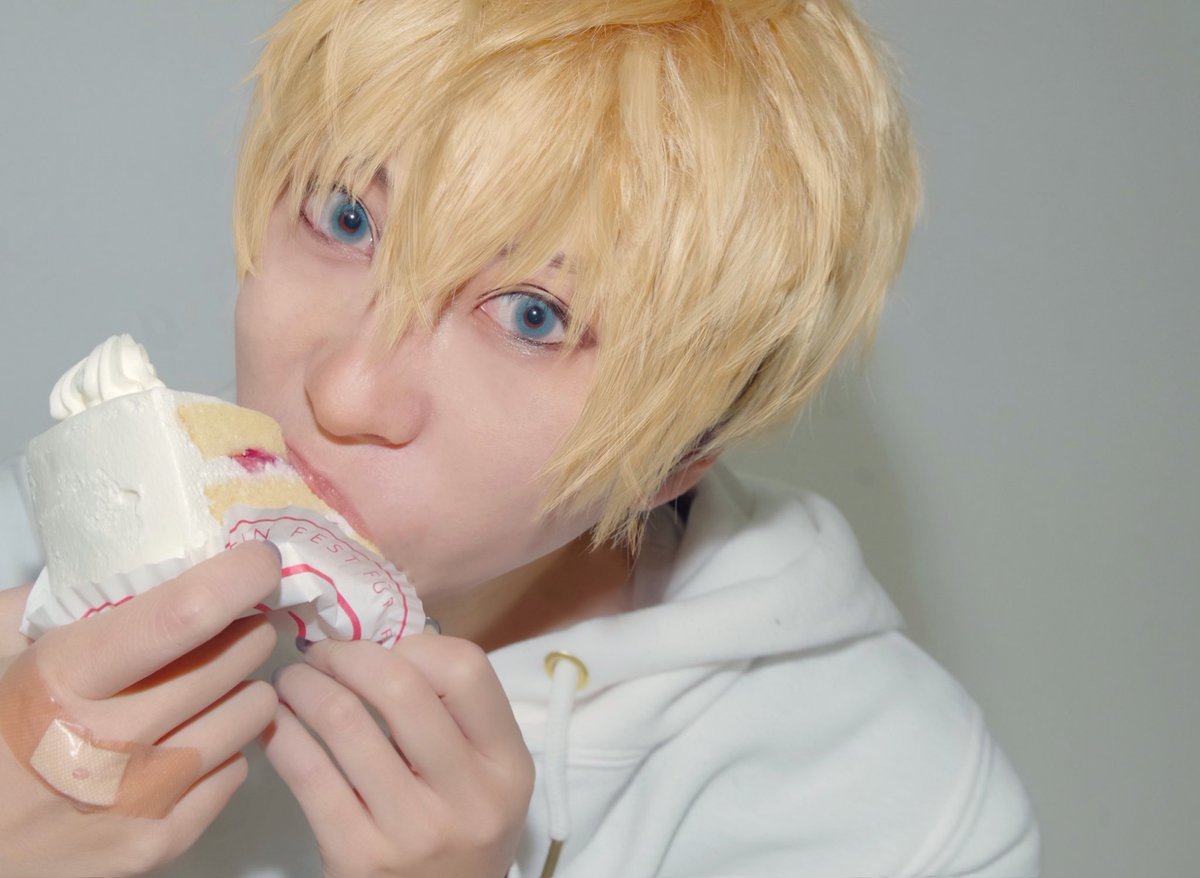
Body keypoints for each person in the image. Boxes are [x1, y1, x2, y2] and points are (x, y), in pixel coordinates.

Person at [0, 0, 1040, 876]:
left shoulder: (903, 814)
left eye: (533, 314)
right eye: (349, 218)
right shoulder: (43, 549)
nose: (345, 390)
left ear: (681, 454)